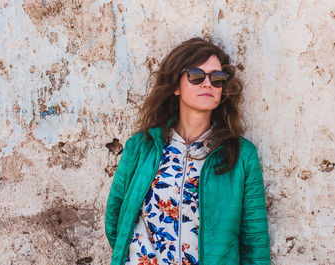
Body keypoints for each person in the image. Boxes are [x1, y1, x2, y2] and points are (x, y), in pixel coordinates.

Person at [105, 37, 271, 265]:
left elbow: (255, 243)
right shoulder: (140, 147)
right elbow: (116, 220)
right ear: (175, 85)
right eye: (196, 76)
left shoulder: (242, 155)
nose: (208, 84)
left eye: (217, 78)